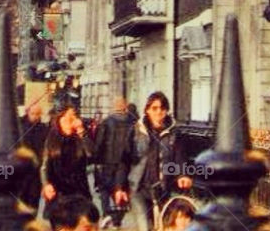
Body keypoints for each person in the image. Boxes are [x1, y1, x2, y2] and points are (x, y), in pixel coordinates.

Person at [119, 92, 192, 231]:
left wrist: (182, 175)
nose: (159, 111)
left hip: (164, 188)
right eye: (154, 108)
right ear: (147, 110)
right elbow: (125, 159)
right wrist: (120, 187)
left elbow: (180, 158)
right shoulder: (136, 131)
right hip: (139, 188)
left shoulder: (174, 133)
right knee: (145, 226)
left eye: (162, 108)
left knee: (163, 226)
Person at [92, 97, 134, 227]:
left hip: (107, 162)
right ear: (125, 107)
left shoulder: (106, 122)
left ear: (114, 106)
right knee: (121, 190)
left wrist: (96, 160)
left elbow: (99, 144)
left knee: (104, 189)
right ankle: (117, 219)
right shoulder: (133, 122)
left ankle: (106, 214)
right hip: (125, 163)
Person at [41, 102, 94, 203]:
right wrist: (46, 184)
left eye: (73, 117)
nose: (70, 121)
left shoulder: (80, 137)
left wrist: (81, 131)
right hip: (58, 191)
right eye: (67, 118)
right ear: (60, 120)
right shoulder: (52, 138)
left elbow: (91, 153)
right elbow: (45, 165)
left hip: (79, 191)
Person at [19, 104, 50, 209]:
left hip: (36, 171)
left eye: (38, 114)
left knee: (34, 200)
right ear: (28, 113)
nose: (36, 116)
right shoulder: (20, 127)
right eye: (33, 113)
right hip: (21, 170)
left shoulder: (43, 129)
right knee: (21, 199)